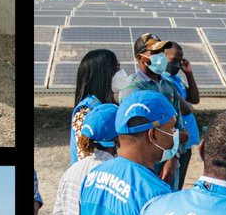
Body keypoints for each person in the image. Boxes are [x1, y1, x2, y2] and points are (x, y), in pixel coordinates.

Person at [120, 34, 191, 188]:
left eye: (161, 53)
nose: (160, 57)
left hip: (170, 166)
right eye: (154, 53)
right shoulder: (133, 89)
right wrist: (176, 137)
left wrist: (173, 159)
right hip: (144, 168)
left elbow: (179, 128)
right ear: (140, 57)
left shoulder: (168, 86)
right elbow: (132, 136)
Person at [71, 48, 122, 163]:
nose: (121, 73)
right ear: (103, 74)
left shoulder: (109, 105)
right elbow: (83, 154)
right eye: (117, 69)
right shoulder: (85, 110)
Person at [163, 42, 200, 190]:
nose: (177, 65)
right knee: (173, 183)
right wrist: (185, 103)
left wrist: (189, 73)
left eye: (180, 60)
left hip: (186, 141)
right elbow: (187, 109)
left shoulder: (176, 79)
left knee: (179, 182)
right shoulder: (165, 81)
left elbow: (195, 99)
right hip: (175, 143)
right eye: (173, 61)